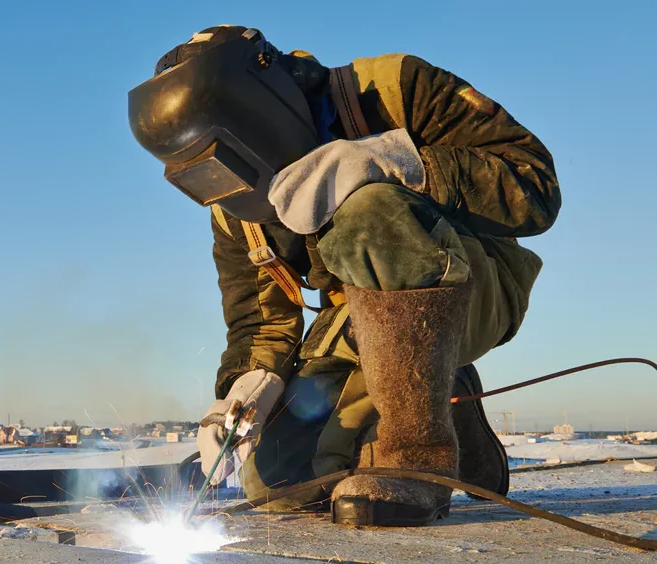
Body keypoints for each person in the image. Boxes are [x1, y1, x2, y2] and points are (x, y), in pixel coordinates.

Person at [128, 25, 560, 526]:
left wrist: (395, 163)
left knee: (368, 214)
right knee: (279, 484)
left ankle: (419, 456)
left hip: (471, 285)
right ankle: (450, 401)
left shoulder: (392, 89)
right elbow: (262, 322)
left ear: (266, 108)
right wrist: (246, 389)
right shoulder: (232, 205)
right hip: (357, 326)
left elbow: (536, 187)